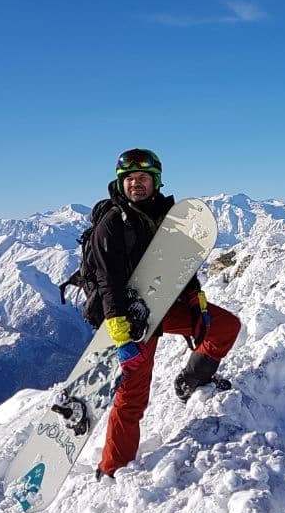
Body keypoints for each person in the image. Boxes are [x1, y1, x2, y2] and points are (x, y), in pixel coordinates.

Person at [83, 147, 241, 480]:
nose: (135, 184)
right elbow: (106, 280)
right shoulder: (112, 222)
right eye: (129, 179)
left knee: (224, 326)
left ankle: (191, 380)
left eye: (142, 178)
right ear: (120, 183)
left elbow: (180, 263)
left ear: (155, 181)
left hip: (164, 304)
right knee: (132, 395)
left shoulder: (169, 216)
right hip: (128, 320)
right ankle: (112, 468)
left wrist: (196, 298)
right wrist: (121, 334)